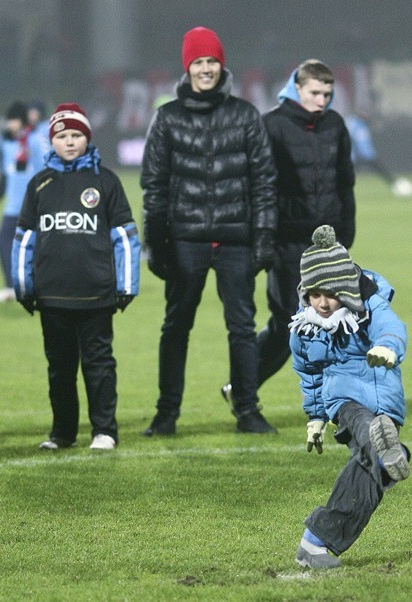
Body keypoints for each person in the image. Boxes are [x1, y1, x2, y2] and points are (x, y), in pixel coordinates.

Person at [141, 26, 278, 436]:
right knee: (176, 327)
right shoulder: (167, 118)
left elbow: (265, 183)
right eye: (198, 62)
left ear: (222, 66)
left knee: (241, 328)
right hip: (185, 242)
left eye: (212, 61)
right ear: (188, 68)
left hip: (236, 242)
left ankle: (248, 410)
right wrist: (157, 245)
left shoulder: (245, 115)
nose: (205, 69)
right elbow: (154, 185)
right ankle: (166, 415)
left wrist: (264, 241)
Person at [221, 58, 355, 409]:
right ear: (296, 88)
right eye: (315, 92)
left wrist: (347, 231)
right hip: (286, 241)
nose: (322, 100)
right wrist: (264, 237)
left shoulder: (335, 125)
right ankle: (243, 389)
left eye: (327, 94)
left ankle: (335, 400)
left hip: (326, 243)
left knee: (332, 320)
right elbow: (257, 186)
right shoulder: (271, 126)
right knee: (289, 326)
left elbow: (345, 181)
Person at [11, 103, 141, 450]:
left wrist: (127, 285)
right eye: (62, 136)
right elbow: (25, 238)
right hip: (52, 295)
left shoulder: (105, 181)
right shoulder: (40, 185)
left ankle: (105, 431)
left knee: (99, 366)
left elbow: (125, 236)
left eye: (76, 135)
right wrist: (23, 287)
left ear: (87, 137)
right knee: (60, 369)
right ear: (52, 140)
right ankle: (62, 433)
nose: (70, 142)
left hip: (96, 294)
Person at [289, 225, 410, 569]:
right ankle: (383, 444)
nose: (322, 303)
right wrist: (315, 417)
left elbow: (392, 326)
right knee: (367, 428)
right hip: (344, 400)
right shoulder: (304, 328)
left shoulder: (370, 305)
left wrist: (388, 346)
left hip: (386, 399)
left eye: (329, 293)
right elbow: (309, 373)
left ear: (345, 287)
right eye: (314, 295)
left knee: (375, 473)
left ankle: (317, 543)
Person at [0, 101, 47, 302]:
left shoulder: (34, 141)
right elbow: (6, 178)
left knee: (38, 246)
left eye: (14, 119)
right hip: (13, 207)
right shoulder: (8, 145)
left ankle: (41, 285)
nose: (10, 124)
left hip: (34, 205)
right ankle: (12, 286)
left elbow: (46, 171)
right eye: (9, 120)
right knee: (3, 241)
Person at [344, 111, 412, 198]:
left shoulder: (363, 125)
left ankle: (393, 183)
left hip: (367, 156)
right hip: (355, 157)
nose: (366, 115)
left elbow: (364, 142)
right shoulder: (352, 123)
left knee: (380, 169)